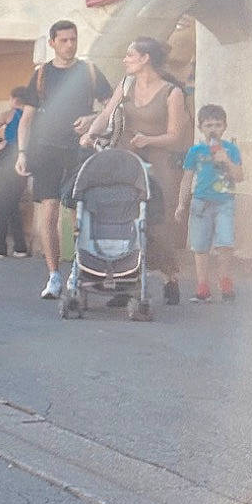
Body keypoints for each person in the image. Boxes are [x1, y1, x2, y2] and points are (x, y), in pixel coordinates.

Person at [82, 35, 190, 305]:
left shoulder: (171, 92)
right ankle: (125, 282)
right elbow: (106, 115)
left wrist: (149, 140)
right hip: (126, 163)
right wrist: (90, 134)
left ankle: (170, 275)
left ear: (145, 59)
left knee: (155, 226)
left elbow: (176, 136)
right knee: (124, 219)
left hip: (158, 165)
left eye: (130, 55)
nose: (125, 59)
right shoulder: (126, 84)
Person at [17, 20, 113, 299]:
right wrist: (22, 153)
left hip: (80, 148)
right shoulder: (41, 75)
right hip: (45, 149)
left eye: (73, 39)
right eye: (64, 40)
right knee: (48, 210)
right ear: (52, 43)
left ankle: (77, 272)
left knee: (77, 212)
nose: (70, 45)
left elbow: (112, 107)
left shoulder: (90, 71)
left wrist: (93, 118)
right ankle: (53, 276)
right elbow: (26, 119)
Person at [176, 103, 243, 301]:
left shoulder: (231, 149)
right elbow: (187, 178)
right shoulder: (195, 151)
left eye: (217, 125)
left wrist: (227, 161)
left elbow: (239, 176)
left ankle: (224, 279)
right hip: (201, 202)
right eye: (208, 125)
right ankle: (203, 285)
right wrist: (181, 203)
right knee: (201, 246)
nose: (213, 129)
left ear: (224, 127)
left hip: (224, 202)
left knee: (225, 243)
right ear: (200, 128)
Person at [0, 87, 32, 260]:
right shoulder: (32, 115)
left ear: (13, 99)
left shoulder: (9, 114)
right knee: (12, 205)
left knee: (1, 206)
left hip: (6, 158)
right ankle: (20, 247)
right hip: (24, 158)